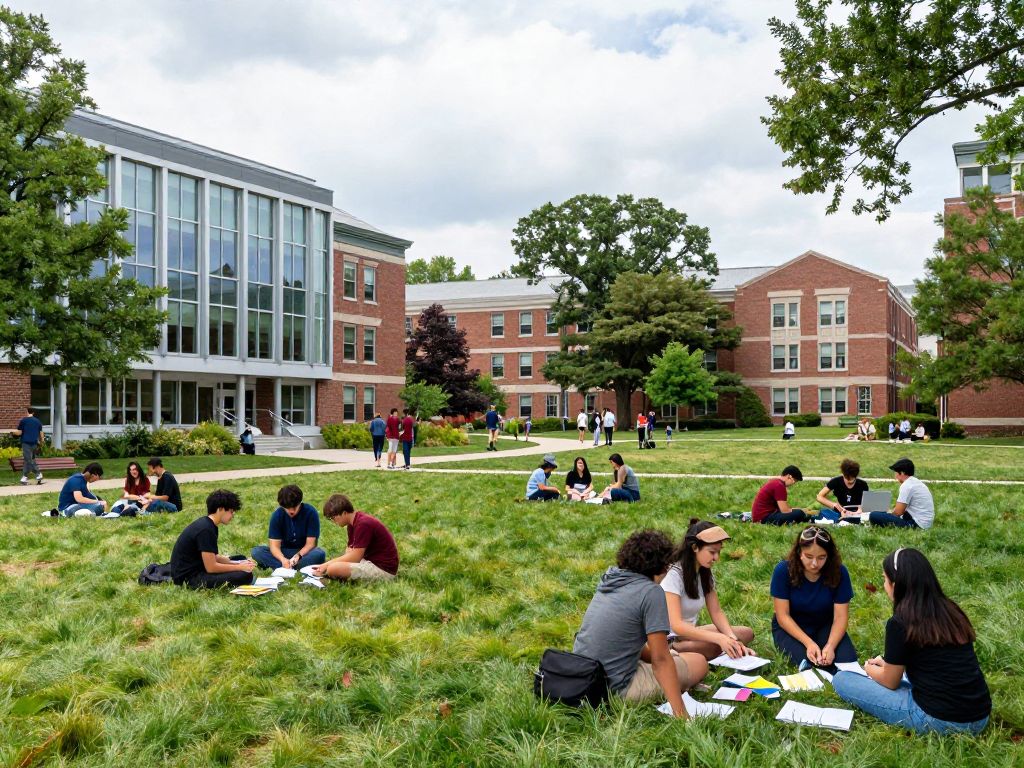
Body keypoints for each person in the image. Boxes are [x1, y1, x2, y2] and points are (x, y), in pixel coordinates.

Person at [832, 548, 991, 735]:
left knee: (842, 680)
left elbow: (890, 681)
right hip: (980, 716)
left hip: (938, 719)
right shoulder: (950, 609)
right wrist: (888, 664)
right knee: (902, 677)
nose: (884, 585)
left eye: (885, 579)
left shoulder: (900, 622)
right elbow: (932, 661)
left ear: (896, 584)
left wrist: (868, 668)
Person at [572, 529, 706, 719]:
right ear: (662, 565)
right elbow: (661, 660)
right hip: (617, 690)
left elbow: (625, 640)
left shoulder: (610, 579)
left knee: (675, 656)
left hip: (584, 676)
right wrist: (681, 713)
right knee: (699, 662)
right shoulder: (651, 592)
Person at [662, 520, 755, 661]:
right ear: (694, 548)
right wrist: (719, 639)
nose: (716, 558)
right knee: (716, 647)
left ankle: (705, 646)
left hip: (689, 633)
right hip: (670, 636)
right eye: (712, 552)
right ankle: (674, 648)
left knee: (746, 633)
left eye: (719, 552)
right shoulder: (674, 575)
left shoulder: (705, 572)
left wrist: (732, 638)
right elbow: (677, 625)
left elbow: (716, 612)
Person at [771, 525, 857, 672]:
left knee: (847, 663)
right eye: (809, 557)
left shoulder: (839, 572)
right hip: (791, 628)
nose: (815, 563)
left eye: (821, 557)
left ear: (829, 556)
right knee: (808, 666)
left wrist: (830, 645)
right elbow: (782, 616)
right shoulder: (783, 571)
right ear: (799, 553)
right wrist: (809, 643)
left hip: (825, 625)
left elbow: (841, 617)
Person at [170, 488, 255, 589]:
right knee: (245, 575)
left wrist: (236, 562)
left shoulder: (207, 524)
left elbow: (212, 556)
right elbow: (211, 567)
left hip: (196, 568)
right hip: (189, 579)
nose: (233, 515)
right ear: (220, 509)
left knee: (240, 558)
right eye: (231, 511)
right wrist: (239, 567)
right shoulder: (206, 529)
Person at [312, 494, 399, 581]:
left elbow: (355, 557)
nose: (333, 521)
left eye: (333, 517)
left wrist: (327, 565)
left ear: (344, 513)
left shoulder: (363, 524)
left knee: (332, 569)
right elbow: (350, 551)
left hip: (383, 569)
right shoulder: (352, 523)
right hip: (368, 560)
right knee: (335, 565)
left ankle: (327, 573)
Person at [250, 484, 327, 570]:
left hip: (304, 552)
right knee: (256, 552)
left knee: (319, 553)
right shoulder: (277, 515)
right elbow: (274, 546)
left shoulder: (310, 512)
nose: (292, 511)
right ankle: (290, 566)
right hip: (283, 551)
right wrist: (282, 559)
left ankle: (281, 566)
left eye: (295, 507)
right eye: (288, 508)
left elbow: (311, 544)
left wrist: (298, 555)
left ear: (300, 503)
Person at [870, 458, 934, 529]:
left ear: (902, 472)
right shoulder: (916, 482)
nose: (895, 476)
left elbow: (898, 513)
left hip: (916, 525)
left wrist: (886, 514)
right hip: (924, 523)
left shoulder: (907, 486)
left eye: (896, 472)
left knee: (874, 515)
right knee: (882, 514)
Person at [13, 406, 44, 485]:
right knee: (31, 459)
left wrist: (12, 433)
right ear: (33, 413)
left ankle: (37, 474)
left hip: (26, 443)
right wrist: (42, 441)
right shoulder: (38, 421)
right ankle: (26, 477)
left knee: (28, 460)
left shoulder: (24, 421)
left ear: (27, 412)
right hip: (34, 443)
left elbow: (19, 432)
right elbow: (41, 432)